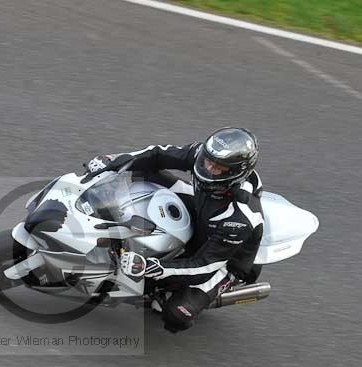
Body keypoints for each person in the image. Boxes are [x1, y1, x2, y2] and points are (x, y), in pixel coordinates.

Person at [85, 127, 264, 333]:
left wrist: (153, 267)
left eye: (217, 168)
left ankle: (186, 296)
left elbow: (203, 267)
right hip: (202, 207)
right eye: (208, 160)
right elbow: (158, 154)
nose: (208, 167)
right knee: (140, 172)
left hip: (222, 261)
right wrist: (114, 163)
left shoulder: (238, 218)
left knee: (176, 313)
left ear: (234, 173)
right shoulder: (203, 156)